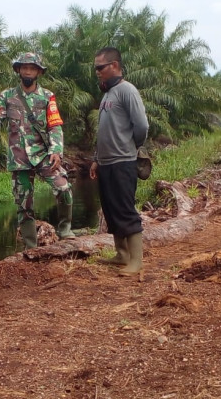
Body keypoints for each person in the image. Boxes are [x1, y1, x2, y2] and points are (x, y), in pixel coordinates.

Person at [0, 52, 75, 248]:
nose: (28, 71)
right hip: (19, 159)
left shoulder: (47, 97)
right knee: (24, 205)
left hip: (44, 155)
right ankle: (31, 246)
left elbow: (55, 126)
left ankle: (65, 230)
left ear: (38, 72)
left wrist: (56, 150)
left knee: (63, 187)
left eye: (32, 68)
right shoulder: (6, 96)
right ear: (18, 70)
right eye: (24, 67)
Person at [89, 46, 149, 276]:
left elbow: (141, 126)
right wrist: (96, 159)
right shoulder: (107, 94)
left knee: (125, 209)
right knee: (110, 208)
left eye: (100, 67)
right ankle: (121, 254)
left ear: (114, 65)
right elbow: (104, 131)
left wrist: (132, 146)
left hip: (123, 161)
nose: (97, 72)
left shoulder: (127, 91)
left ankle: (136, 261)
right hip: (106, 162)